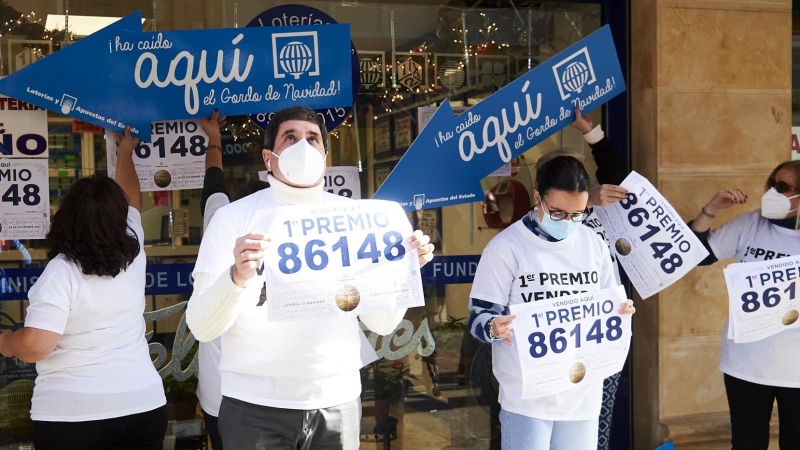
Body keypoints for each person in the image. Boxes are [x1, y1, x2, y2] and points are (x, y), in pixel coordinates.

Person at [186, 106, 435, 449]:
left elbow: (381, 324)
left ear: (325, 155)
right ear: (268, 157)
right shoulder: (232, 220)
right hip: (254, 406)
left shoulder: (357, 220)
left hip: (337, 402)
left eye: (312, 138)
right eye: (290, 137)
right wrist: (236, 276)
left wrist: (399, 273)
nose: (302, 145)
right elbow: (201, 326)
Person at [0, 127, 167, 450]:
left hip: (74, 416)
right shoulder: (132, 249)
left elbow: (36, 345)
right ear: (118, 218)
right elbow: (131, 198)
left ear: (67, 218)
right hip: (142, 404)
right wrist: (125, 153)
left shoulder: (61, 273)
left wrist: (6, 342)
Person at [467, 154, 635, 450]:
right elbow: (478, 319)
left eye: (578, 214)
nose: (568, 222)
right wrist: (495, 328)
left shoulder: (593, 243)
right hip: (528, 396)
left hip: (582, 392)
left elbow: (609, 298)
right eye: (558, 213)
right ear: (537, 198)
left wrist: (621, 310)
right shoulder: (506, 248)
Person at [688, 161, 800, 450]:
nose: (773, 192)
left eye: (784, 188)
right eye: (773, 184)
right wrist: (711, 208)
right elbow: (697, 255)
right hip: (745, 363)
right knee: (746, 443)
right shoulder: (751, 223)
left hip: (796, 367)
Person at [196, 109, 229, 450]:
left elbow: (214, 185)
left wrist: (214, 139)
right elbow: (214, 187)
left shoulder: (221, 225)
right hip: (226, 399)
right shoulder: (221, 224)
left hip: (221, 400)